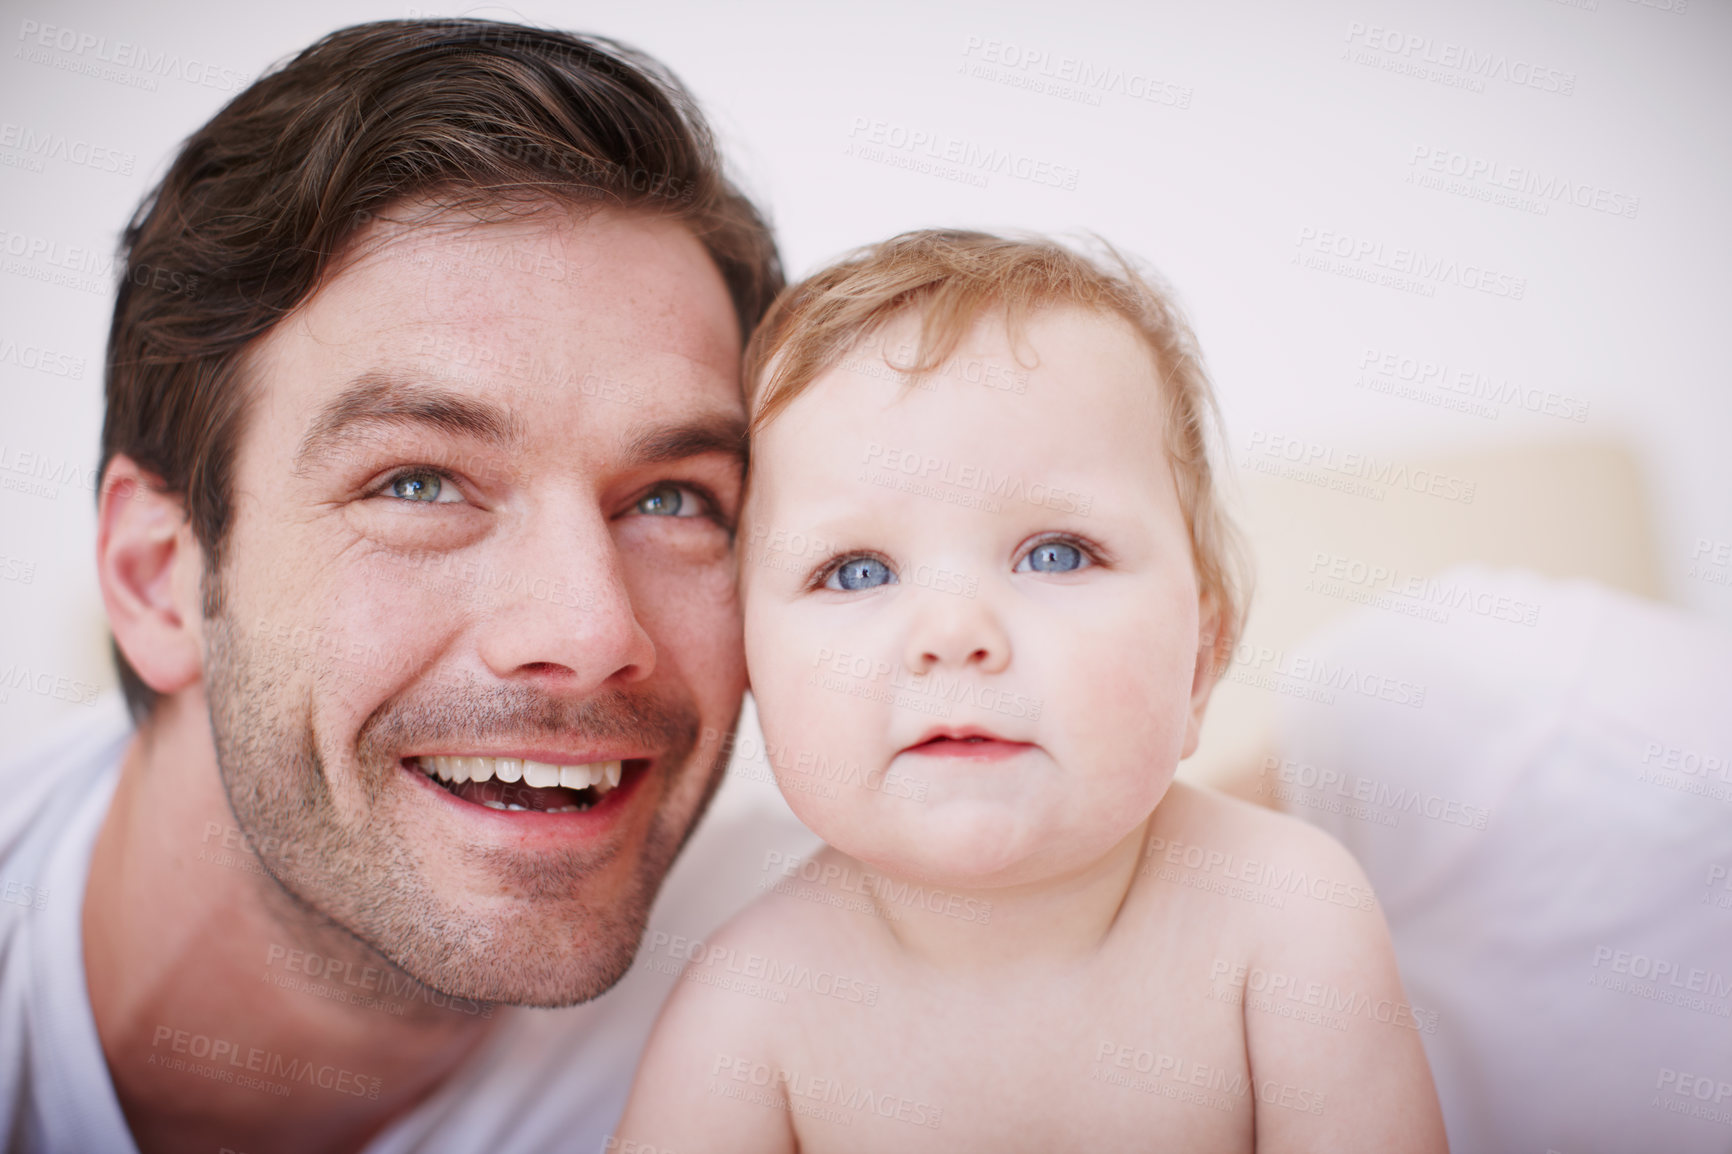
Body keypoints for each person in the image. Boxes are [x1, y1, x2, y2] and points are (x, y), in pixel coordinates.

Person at [0, 18, 801, 1154]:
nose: (588, 629)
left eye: (672, 498)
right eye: (420, 481)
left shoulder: (823, 980)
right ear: (156, 579)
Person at [616, 231, 1451, 1150]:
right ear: (751, 670)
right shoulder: (751, 1009)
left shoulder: (1285, 918)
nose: (953, 636)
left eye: (1055, 555)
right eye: (855, 572)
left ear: (1203, 655)